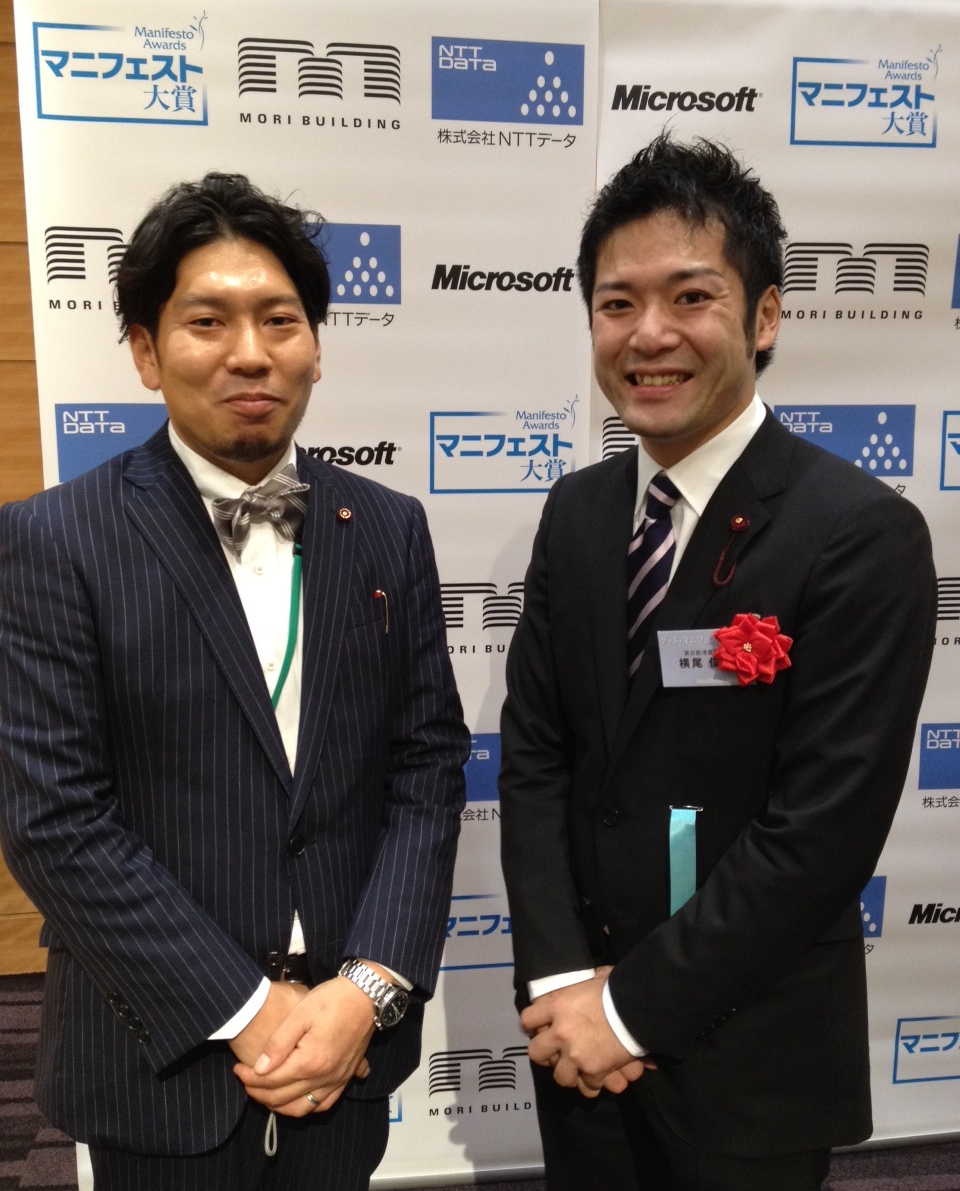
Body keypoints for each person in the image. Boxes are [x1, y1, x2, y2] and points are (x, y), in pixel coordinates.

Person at [0, 173, 469, 1191]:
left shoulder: (388, 527)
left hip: (347, 1048)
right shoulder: (53, 539)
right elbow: (55, 820)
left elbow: (428, 768)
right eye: (207, 320)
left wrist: (367, 988)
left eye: (279, 320)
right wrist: (249, 1009)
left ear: (316, 345)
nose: (250, 352)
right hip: (159, 1055)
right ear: (145, 350)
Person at [498, 134, 936, 1191]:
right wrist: (564, 984)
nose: (648, 334)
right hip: (578, 1045)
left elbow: (820, 833)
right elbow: (536, 756)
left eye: (690, 296)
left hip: (751, 1057)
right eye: (617, 303)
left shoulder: (857, 532)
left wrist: (629, 1009)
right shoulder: (578, 512)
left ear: (765, 315)